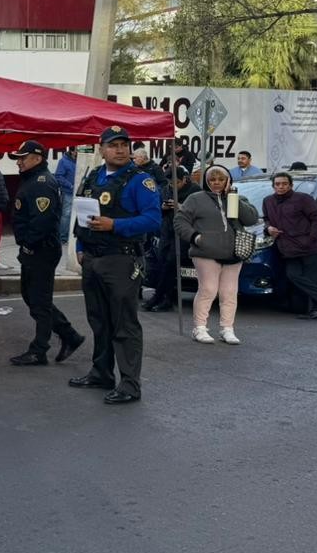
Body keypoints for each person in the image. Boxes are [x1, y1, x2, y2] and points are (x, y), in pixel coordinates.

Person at [69, 126, 162, 405]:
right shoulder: (94, 177)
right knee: (99, 320)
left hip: (121, 259)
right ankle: (101, 372)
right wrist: (81, 249)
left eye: (124, 145)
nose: (120, 150)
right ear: (101, 149)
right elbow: (81, 214)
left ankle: (130, 384)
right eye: (113, 145)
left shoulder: (139, 180)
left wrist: (116, 225)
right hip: (93, 259)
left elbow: (153, 220)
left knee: (124, 324)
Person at [8, 141, 85, 366]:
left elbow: (42, 221)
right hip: (34, 249)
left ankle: (39, 349)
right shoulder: (32, 181)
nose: (19, 162)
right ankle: (70, 335)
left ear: (37, 158)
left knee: (39, 301)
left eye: (23, 157)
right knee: (31, 297)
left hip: (41, 250)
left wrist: (29, 245)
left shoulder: (41, 183)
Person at [175, 164, 259, 344]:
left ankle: (227, 328)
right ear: (206, 181)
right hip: (205, 251)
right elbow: (180, 221)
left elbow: (251, 219)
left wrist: (233, 197)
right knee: (208, 289)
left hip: (233, 252)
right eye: (212, 180)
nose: (216, 183)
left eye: (221, 179)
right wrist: (195, 237)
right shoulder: (196, 198)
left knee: (229, 292)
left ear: (228, 180)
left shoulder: (236, 197)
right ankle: (199, 327)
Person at [262, 172, 317, 320]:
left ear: (290, 185)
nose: (281, 187)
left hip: (310, 247)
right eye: (277, 184)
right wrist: (268, 229)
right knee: (293, 275)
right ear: (273, 186)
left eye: (284, 184)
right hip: (287, 248)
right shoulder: (268, 201)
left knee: (314, 279)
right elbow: (266, 220)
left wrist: (310, 239)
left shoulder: (303, 199)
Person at [143, 166, 200, 312]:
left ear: (184, 180)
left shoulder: (194, 191)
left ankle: (159, 296)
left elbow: (197, 213)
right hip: (166, 231)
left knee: (170, 263)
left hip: (182, 233)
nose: (173, 186)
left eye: (177, 183)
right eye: (171, 183)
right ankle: (165, 297)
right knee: (163, 263)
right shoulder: (165, 189)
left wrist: (179, 206)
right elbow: (157, 210)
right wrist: (163, 207)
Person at [54, 146, 78, 245]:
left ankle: (72, 236)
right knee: (66, 215)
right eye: (77, 150)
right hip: (68, 192)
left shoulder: (80, 160)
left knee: (76, 215)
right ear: (72, 151)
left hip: (79, 193)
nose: (79, 153)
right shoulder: (63, 161)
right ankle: (63, 238)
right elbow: (58, 176)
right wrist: (70, 186)